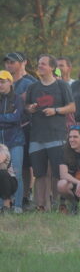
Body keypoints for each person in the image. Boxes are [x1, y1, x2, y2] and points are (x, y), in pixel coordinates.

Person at [26, 54, 75, 211]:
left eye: (43, 64)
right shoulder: (33, 87)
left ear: (52, 67)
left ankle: (59, 204)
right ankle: (41, 205)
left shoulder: (62, 86)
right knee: (39, 174)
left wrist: (56, 110)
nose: (39, 66)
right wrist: (31, 108)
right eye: (39, 63)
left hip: (57, 135)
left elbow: (72, 107)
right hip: (36, 137)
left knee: (58, 173)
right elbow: (27, 107)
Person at [4, 52, 36, 207]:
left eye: (12, 62)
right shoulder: (4, 81)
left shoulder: (30, 82)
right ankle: (7, 199)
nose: (9, 65)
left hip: (26, 127)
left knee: (24, 165)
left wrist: (26, 106)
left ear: (23, 62)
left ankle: (24, 196)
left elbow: (34, 104)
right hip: (5, 130)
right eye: (7, 62)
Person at [0, 70, 25, 212]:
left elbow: (16, 118)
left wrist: (4, 118)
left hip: (15, 141)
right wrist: (8, 117)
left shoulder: (17, 98)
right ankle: (2, 205)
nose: (0, 84)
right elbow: (11, 118)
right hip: (1, 143)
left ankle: (17, 205)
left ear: (10, 82)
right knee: (0, 172)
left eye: (3, 82)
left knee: (17, 172)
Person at [0, 144, 18, 211]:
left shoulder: (2, 148)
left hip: (10, 181)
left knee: (2, 173)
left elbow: (1, 159)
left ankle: (6, 206)